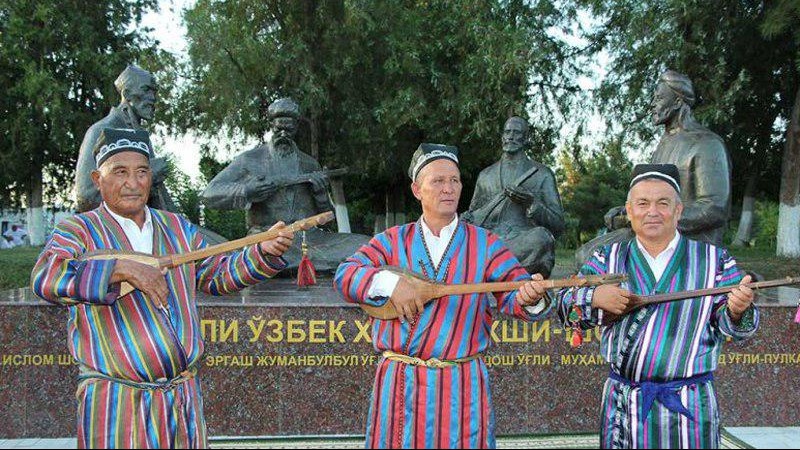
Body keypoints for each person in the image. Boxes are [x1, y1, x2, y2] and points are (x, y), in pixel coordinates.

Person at [31, 128, 294, 449]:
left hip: (181, 399)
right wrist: (119, 269)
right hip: (117, 403)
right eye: (120, 172)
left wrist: (263, 252)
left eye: (142, 172)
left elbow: (217, 276)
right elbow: (46, 277)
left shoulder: (176, 227)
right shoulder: (78, 229)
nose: (133, 182)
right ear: (98, 179)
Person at [334, 143, 552, 448]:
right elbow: (345, 276)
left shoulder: (486, 243)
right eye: (438, 181)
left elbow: (514, 292)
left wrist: (531, 297)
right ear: (417, 190)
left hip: (461, 386)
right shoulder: (392, 240)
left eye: (455, 180)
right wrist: (389, 284)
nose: (448, 188)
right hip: (401, 385)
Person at [559, 164, 758, 449]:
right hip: (625, 405)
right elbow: (566, 307)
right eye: (643, 203)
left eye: (663, 203)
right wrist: (594, 297)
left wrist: (737, 310)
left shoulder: (714, 260)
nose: (652, 211)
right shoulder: (606, 258)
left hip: (689, 406)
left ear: (678, 211)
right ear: (629, 211)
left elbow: (736, 326)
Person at [576, 70, 732, 265]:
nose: (652, 104)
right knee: (587, 255)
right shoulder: (664, 145)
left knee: (591, 257)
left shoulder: (707, 144)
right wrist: (627, 212)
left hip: (690, 240)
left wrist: (645, 219)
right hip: (653, 234)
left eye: (659, 98)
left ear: (677, 102)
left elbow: (714, 209)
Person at [202, 97, 368, 272]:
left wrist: (320, 194)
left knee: (365, 245)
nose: (283, 134)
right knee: (272, 254)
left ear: (296, 127)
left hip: (310, 240)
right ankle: (286, 263)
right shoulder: (250, 160)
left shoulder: (309, 164)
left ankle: (293, 264)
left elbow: (327, 224)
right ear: (271, 125)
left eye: (288, 130)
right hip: (268, 238)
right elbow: (209, 194)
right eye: (278, 129)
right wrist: (247, 191)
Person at [463, 116, 565, 277]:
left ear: (526, 138)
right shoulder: (486, 175)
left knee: (542, 238)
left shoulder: (542, 174)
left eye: (516, 132)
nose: (511, 136)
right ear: (502, 137)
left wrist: (532, 204)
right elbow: (473, 220)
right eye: (507, 132)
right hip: (491, 242)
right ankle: (496, 266)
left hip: (524, 243)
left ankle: (500, 269)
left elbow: (558, 225)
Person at [75, 65, 173, 213]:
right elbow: (86, 198)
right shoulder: (101, 131)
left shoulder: (140, 135)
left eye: (154, 92)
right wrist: (149, 174)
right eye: (146, 90)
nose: (153, 98)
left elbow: (159, 200)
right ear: (126, 94)